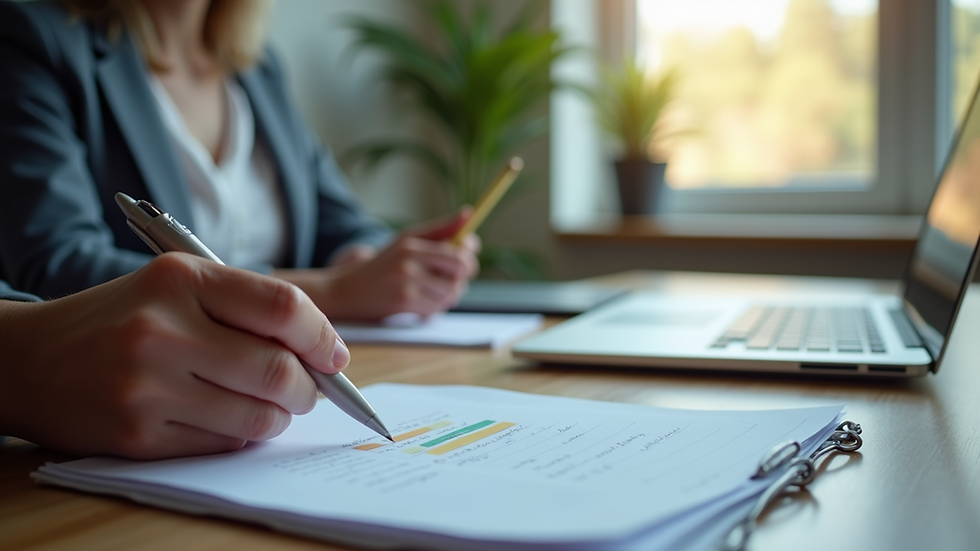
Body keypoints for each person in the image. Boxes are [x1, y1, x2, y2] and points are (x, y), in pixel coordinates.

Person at [0, 0, 479, 320]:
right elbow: (55, 267)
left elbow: (341, 222)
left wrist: (373, 263)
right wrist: (332, 291)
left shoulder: (257, 66)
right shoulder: (36, 37)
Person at [0, 253, 349, 459]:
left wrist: (358, 255)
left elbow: (341, 225)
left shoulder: (281, 123)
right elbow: (57, 258)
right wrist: (17, 361)